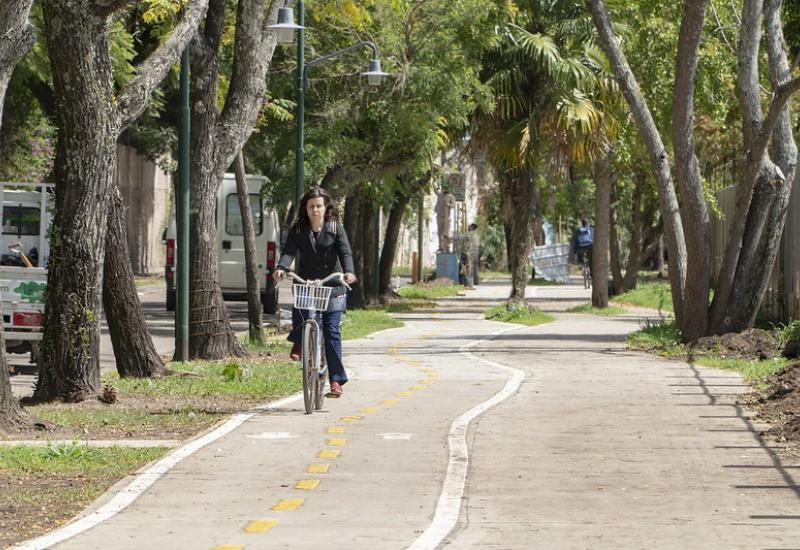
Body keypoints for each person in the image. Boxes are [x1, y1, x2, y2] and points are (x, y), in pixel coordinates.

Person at [274, 187, 357, 398]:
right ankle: (300, 341)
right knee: (300, 312)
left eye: (319, 206)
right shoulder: (298, 230)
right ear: (305, 208)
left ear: (326, 207)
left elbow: (345, 252)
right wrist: (281, 268)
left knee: (331, 331)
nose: (315, 210)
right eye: (311, 206)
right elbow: (289, 252)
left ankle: (336, 380)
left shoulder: (336, 229)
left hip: (333, 285)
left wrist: (349, 273)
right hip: (308, 282)